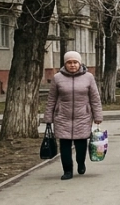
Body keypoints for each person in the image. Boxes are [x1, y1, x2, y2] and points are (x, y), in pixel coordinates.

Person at [43, 51, 104, 181]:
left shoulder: (88, 77)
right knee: (64, 145)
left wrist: (97, 115)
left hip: (83, 116)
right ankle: (67, 171)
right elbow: (52, 99)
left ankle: (81, 163)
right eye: (69, 62)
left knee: (81, 145)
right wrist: (48, 117)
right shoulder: (57, 78)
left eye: (75, 62)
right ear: (65, 64)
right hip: (62, 116)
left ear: (79, 63)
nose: (72, 65)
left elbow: (95, 98)